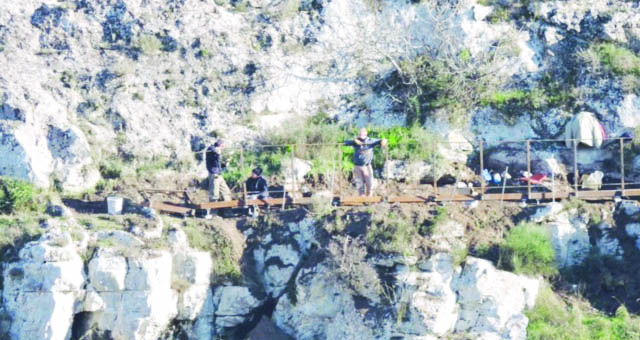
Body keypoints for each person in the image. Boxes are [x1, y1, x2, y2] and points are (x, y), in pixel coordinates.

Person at [344, 128, 388, 196]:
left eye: (361, 134)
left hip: (367, 166)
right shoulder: (356, 142)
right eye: (359, 134)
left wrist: (383, 141)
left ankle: (369, 198)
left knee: (370, 184)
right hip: (357, 166)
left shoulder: (370, 141)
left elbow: (381, 141)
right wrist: (354, 141)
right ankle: (362, 198)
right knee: (360, 184)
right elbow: (345, 142)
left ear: (365, 134)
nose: (360, 136)